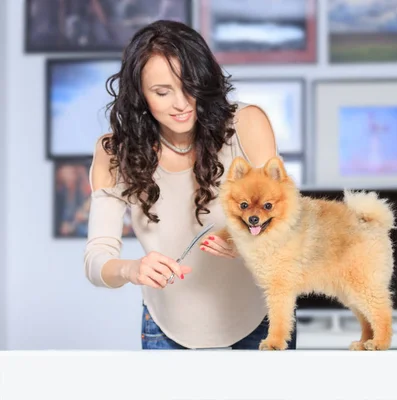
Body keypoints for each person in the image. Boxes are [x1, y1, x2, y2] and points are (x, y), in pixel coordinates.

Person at [83, 19, 297, 350]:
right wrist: (132, 269)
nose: (181, 104)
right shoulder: (113, 152)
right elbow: (97, 259)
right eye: (162, 92)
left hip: (263, 319)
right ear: (139, 94)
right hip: (166, 327)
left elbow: (289, 225)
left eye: (189, 86)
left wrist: (248, 245)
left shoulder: (246, 124)